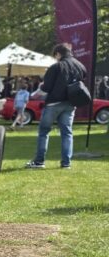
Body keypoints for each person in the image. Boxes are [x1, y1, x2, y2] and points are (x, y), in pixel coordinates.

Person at [26, 42, 87, 170]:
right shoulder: (80, 66)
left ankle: (39, 162)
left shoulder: (56, 67)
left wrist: (36, 92)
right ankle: (66, 163)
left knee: (44, 132)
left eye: (55, 55)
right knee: (67, 133)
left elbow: (46, 87)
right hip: (70, 104)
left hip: (54, 103)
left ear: (58, 54)